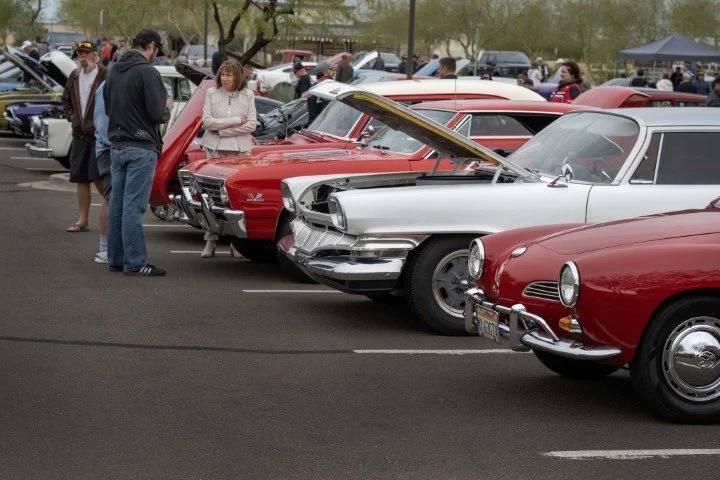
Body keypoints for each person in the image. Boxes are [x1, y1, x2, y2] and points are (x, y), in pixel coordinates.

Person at [104, 29, 172, 276]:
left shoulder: (113, 70)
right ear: (151, 46)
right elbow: (157, 113)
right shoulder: (147, 72)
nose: (156, 55)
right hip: (141, 147)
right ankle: (135, 262)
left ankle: (116, 259)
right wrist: (167, 107)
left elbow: (108, 107)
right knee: (133, 206)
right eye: (157, 50)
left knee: (117, 205)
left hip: (117, 143)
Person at [200, 59, 257, 258]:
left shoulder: (248, 95)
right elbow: (207, 122)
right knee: (210, 196)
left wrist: (224, 131)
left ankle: (236, 243)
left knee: (236, 198)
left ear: (237, 77)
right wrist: (235, 121)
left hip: (240, 151)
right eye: (222, 74)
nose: (224, 78)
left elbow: (252, 125)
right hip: (215, 150)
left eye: (228, 75)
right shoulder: (211, 93)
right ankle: (210, 240)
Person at [61, 41, 107, 235]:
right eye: (80, 53)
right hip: (79, 134)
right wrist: (73, 118)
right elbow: (66, 101)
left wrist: (102, 123)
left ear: (95, 55)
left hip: (99, 135)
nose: (82, 57)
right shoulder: (74, 75)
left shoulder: (105, 74)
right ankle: (82, 220)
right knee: (81, 177)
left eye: (86, 53)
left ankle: (113, 209)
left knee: (98, 176)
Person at [92, 80, 112, 263]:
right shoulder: (107, 86)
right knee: (111, 197)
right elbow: (102, 123)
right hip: (108, 149)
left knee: (112, 197)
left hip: (109, 148)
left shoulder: (108, 84)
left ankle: (107, 248)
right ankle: (104, 249)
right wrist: (113, 144)